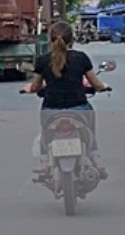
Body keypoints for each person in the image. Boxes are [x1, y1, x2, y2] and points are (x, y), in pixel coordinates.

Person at [23, 20, 109, 179]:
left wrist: (29, 89)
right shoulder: (81, 58)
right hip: (79, 108)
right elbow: (96, 84)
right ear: (72, 39)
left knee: (46, 132)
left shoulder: (42, 61)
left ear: (50, 39)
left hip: (51, 109)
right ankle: (97, 162)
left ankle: (44, 162)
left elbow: (35, 86)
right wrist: (103, 87)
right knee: (89, 131)